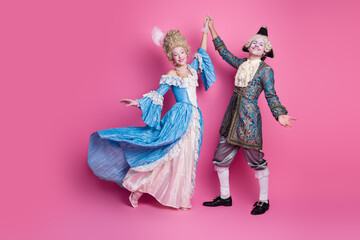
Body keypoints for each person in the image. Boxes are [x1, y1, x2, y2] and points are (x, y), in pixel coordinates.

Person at [88, 17, 216, 210]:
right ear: (171, 58)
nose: (180, 56)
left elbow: (203, 52)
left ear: (185, 52)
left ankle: (181, 198)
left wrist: (205, 31)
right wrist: (137, 102)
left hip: (195, 119)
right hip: (179, 118)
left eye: (182, 52)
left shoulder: (192, 68)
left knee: (186, 157)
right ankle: (137, 188)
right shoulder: (171, 76)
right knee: (167, 154)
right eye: (176, 54)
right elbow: (158, 95)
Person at [202, 17, 296, 215]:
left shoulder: (266, 71)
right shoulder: (242, 63)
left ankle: (264, 200)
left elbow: (271, 95)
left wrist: (280, 114)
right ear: (249, 46)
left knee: (256, 160)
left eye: (261, 44)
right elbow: (225, 53)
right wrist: (212, 28)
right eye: (254, 42)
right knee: (220, 158)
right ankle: (225, 197)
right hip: (232, 117)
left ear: (265, 51)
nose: (256, 45)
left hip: (249, 121)